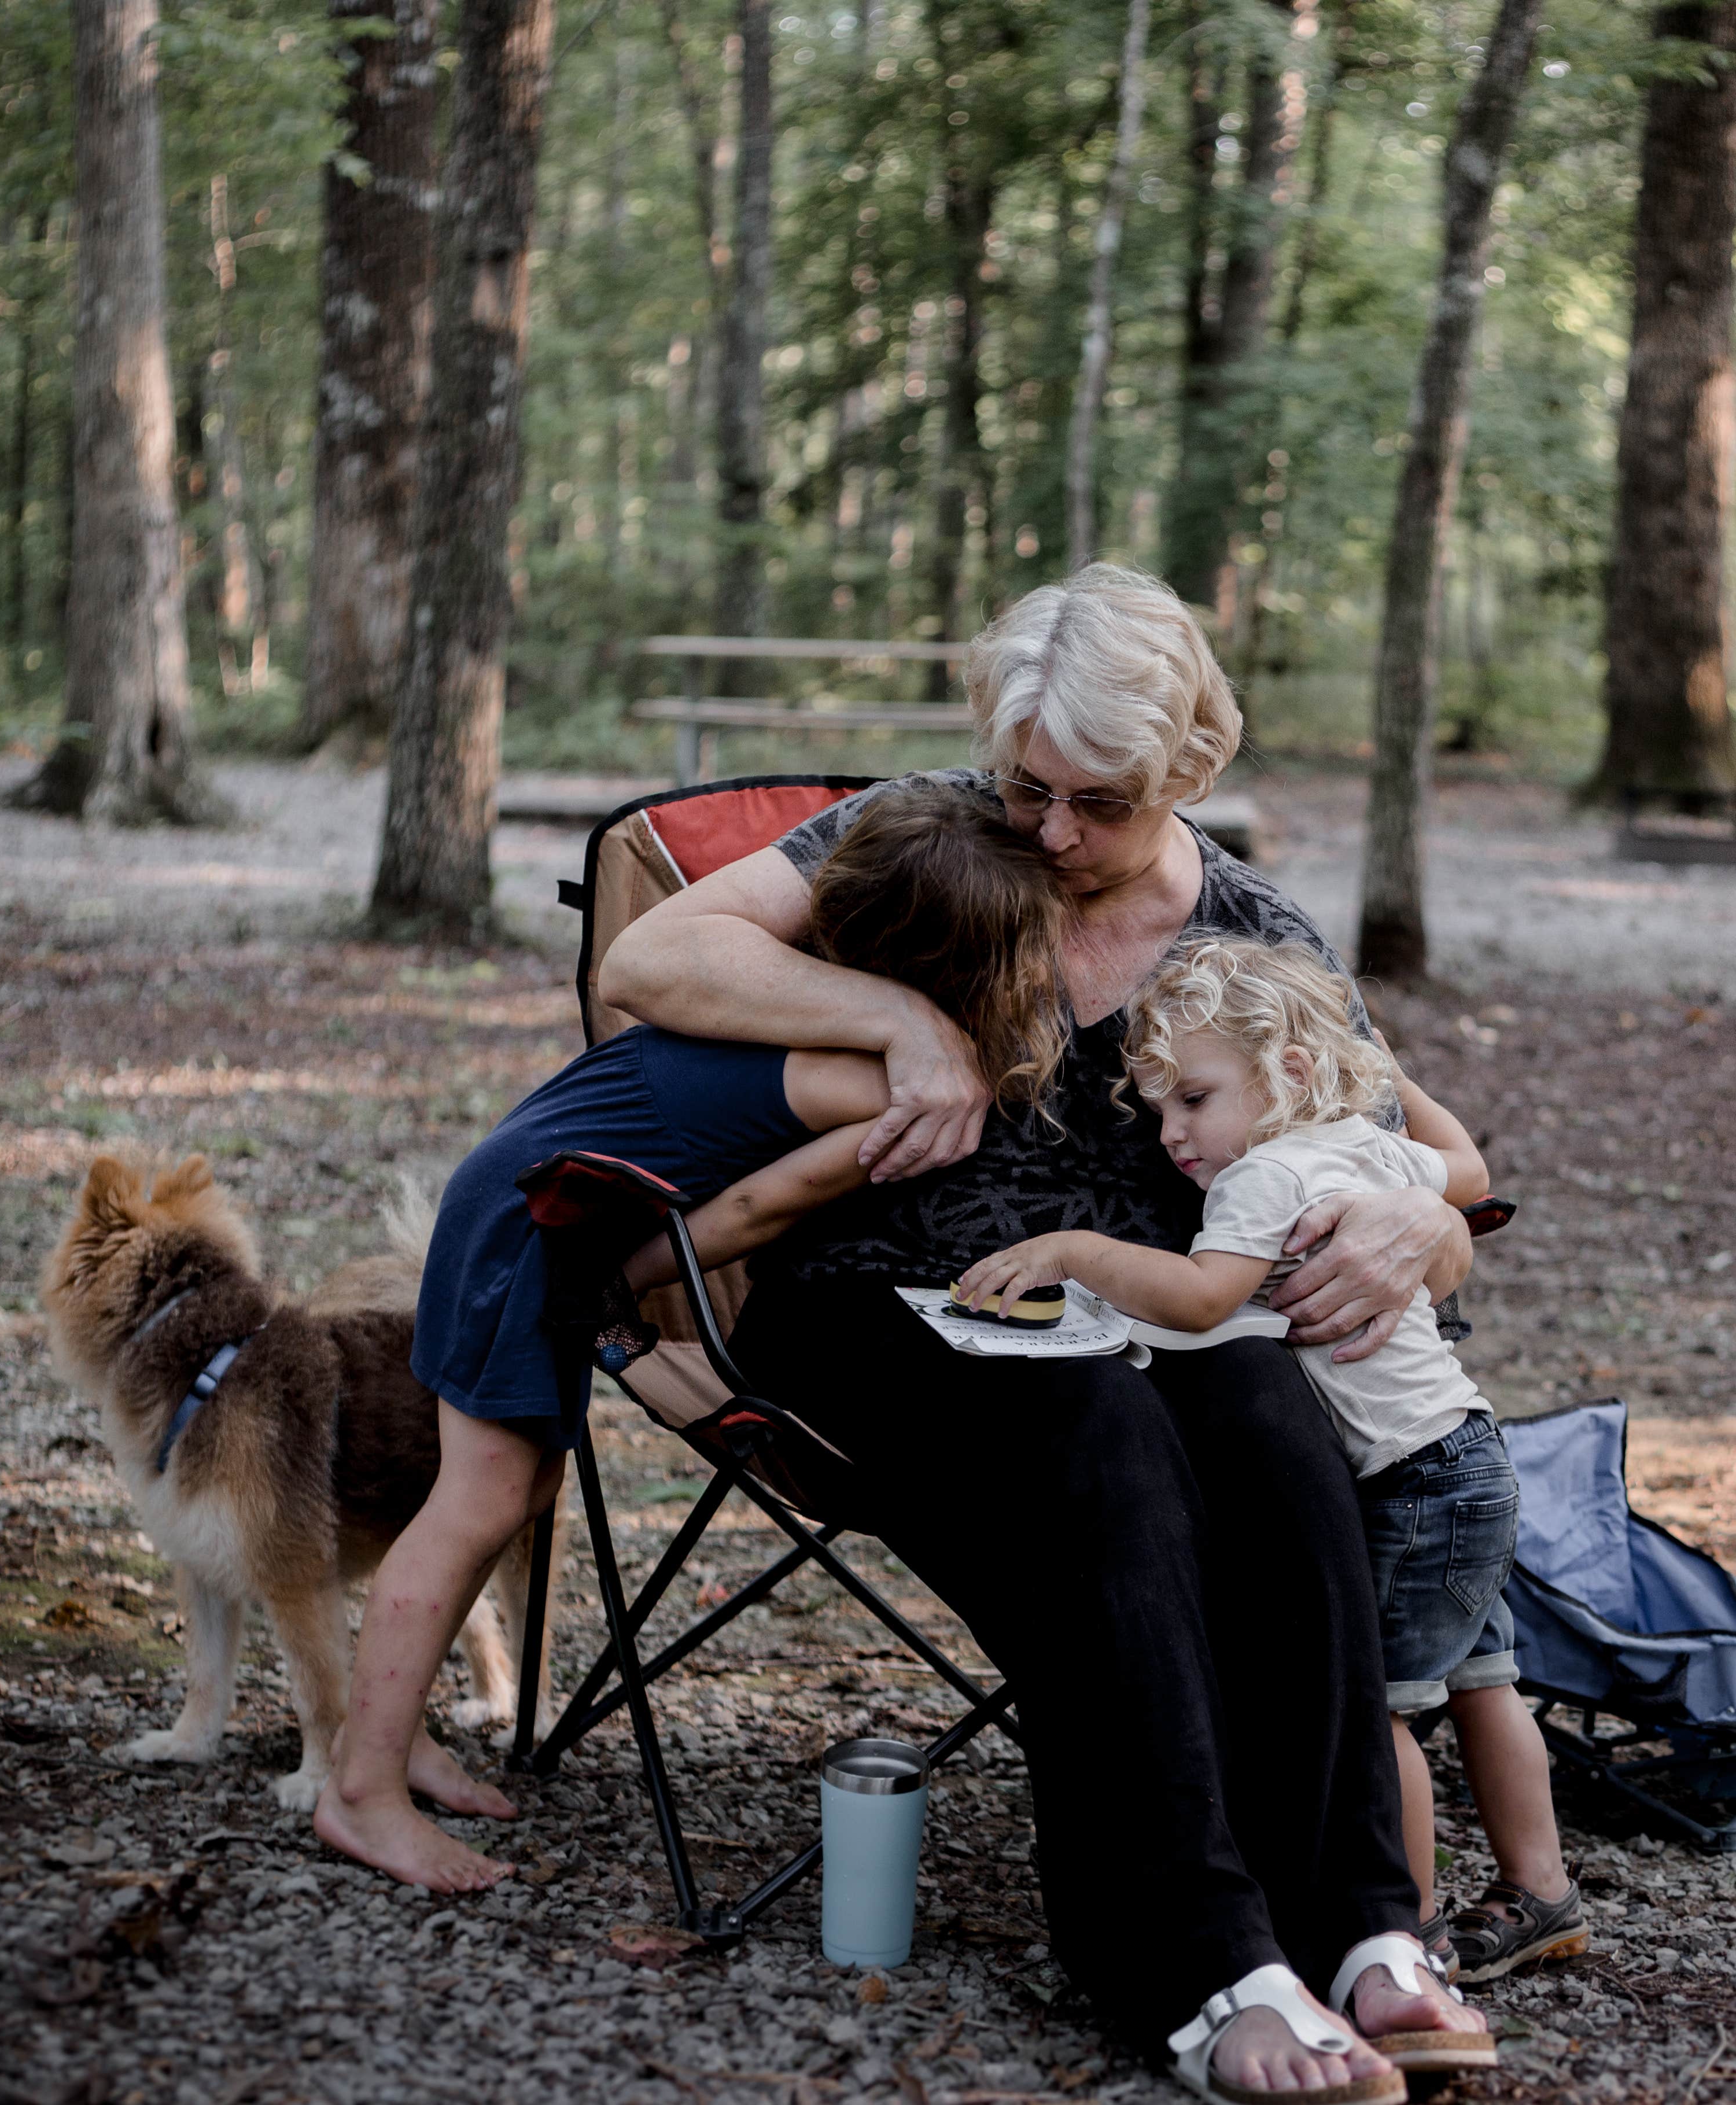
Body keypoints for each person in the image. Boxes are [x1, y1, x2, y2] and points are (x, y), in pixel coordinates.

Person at [599, 565, 1495, 2100]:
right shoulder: (928, 842)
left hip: (1146, 1321)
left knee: (1272, 1418)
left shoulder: (1242, 927)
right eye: (1034, 788)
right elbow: (648, 962)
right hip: (880, 1311)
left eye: (1103, 801)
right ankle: (1201, 1960)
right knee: (1102, 1432)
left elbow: (1442, 1155)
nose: (1057, 834)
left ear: (1191, 771)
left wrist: (1429, 1222)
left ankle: (1361, 1927)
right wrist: (900, 1020)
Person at [314, 786, 1071, 1893]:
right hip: (534, 1228)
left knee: (505, 1499)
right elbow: (751, 1215)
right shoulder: (859, 1078)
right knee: (476, 1504)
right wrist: (623, 1284)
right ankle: (361, 1793)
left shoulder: (802, 1005)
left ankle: (384, 1739)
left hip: (522, 1203)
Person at [952, 937, 1588, 1985]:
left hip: (1404, 1481)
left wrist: (1070, 1251)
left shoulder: (1268, 1174)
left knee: (1377, 1708)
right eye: (1159, 1111)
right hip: (1467, 1454)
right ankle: (1543, 1891)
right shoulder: (1365, 1148)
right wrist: (1376, 1067)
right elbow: (1458, 1165)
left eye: (1193, 1099)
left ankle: (1405, 1934)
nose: (1173, 1135)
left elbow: (1204, 1297)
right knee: (1485, 1680)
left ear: (1288, 1073)